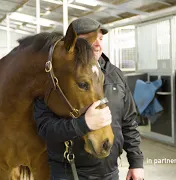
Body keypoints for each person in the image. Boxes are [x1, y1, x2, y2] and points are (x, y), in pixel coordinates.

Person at [34, 17, 144, 180]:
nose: (98, 44)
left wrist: (136, 162)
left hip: (109, 171)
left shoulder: (116, 75)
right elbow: (45, 127)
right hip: (68, 172)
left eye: (100, 38)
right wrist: (82, 125)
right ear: (73, 44)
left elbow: (128, 122)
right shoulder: (54, 78)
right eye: (89, 40)